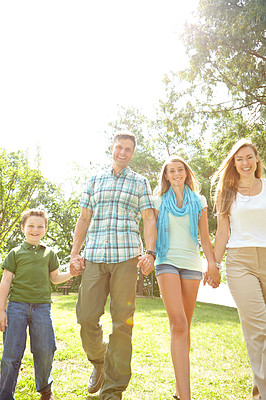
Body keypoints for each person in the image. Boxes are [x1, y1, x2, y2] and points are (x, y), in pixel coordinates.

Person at [70, 131, 157, 400]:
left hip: (126, 257)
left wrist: (150, 253)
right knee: (86, 316)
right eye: (119, 147)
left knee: (122, 324)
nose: (123, 152)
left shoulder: (140, 182)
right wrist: (75, 253)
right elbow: (84, 218)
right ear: (112, 148)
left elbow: (148, 219)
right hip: (94, 256)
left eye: (128, 149)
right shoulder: (94, 179)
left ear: (133, 152)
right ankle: (99, 361)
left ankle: (113, 389)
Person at [154, 155, 218, 400]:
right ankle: (187, 397)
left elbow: (204, 236)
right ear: (166, 176)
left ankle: (180, 390)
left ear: (186, 173)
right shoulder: (158, 199)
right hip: (166, 260)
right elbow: (152, 227)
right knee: (178, 324)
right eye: (172, 171)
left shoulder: (198, 200)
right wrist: (149, 253)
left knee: (184, 329)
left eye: (180, 170)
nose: (177, 174)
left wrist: (212, 264)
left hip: (191, 264)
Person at [209, 138, 266, 400]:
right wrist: (213, 265)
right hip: (240, 262)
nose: (245, 163)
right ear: (234, 163)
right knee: (258, 330)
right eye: (239, 159)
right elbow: (222, 233)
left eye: (249, 157)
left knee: (260, 335)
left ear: (257, 159)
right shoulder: (227, 193)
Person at [0, 209, 77, 400]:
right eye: (31, 226)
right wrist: (1, 309)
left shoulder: (49, 253)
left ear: (45, 229)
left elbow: (55, 278)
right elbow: (6, 282)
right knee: (11, 353)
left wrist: (72, 273)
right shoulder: (15, 253)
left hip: (42, 307)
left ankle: (45, 389)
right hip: (17, 306)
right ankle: (5, 394)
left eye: (40, 226)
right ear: (22, 228)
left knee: (45, 349)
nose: (35, 229)